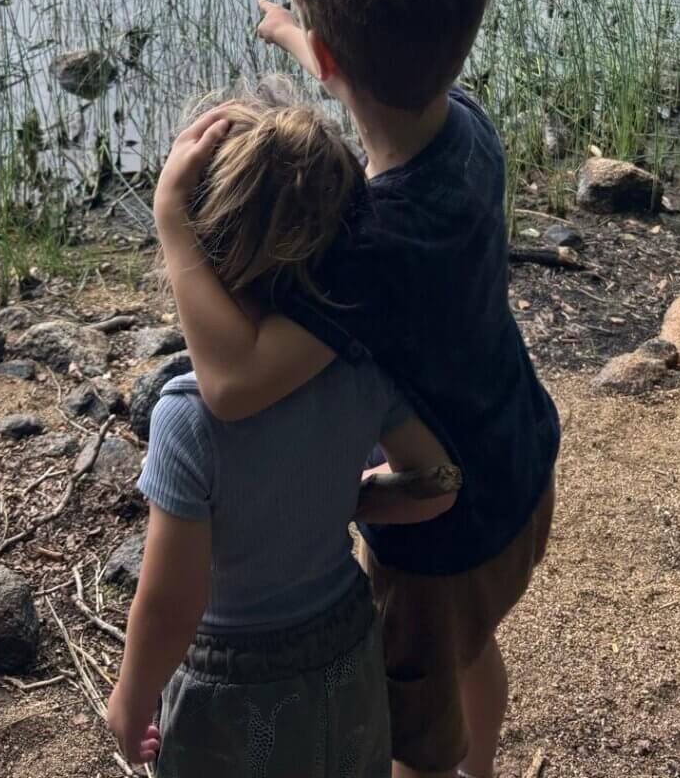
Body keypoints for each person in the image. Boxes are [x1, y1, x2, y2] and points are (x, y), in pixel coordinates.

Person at [160, 0, 561, 778]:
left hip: (439, 537)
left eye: (316, 41)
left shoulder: (370, 247)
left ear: (338, 62)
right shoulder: (467, 124)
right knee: (470, 649)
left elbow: (232, 382)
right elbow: (374, 73)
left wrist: (173, 223)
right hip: (522, 460)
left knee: (417, 717)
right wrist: (294, 38)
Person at [106, 83, 461, 776]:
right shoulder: (358, 370)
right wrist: (349, 495)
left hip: (238, 683)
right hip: (345, 649)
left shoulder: (187, 417)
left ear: (203, 250)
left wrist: (130, 697)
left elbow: (174, 601)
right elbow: (438, 484)